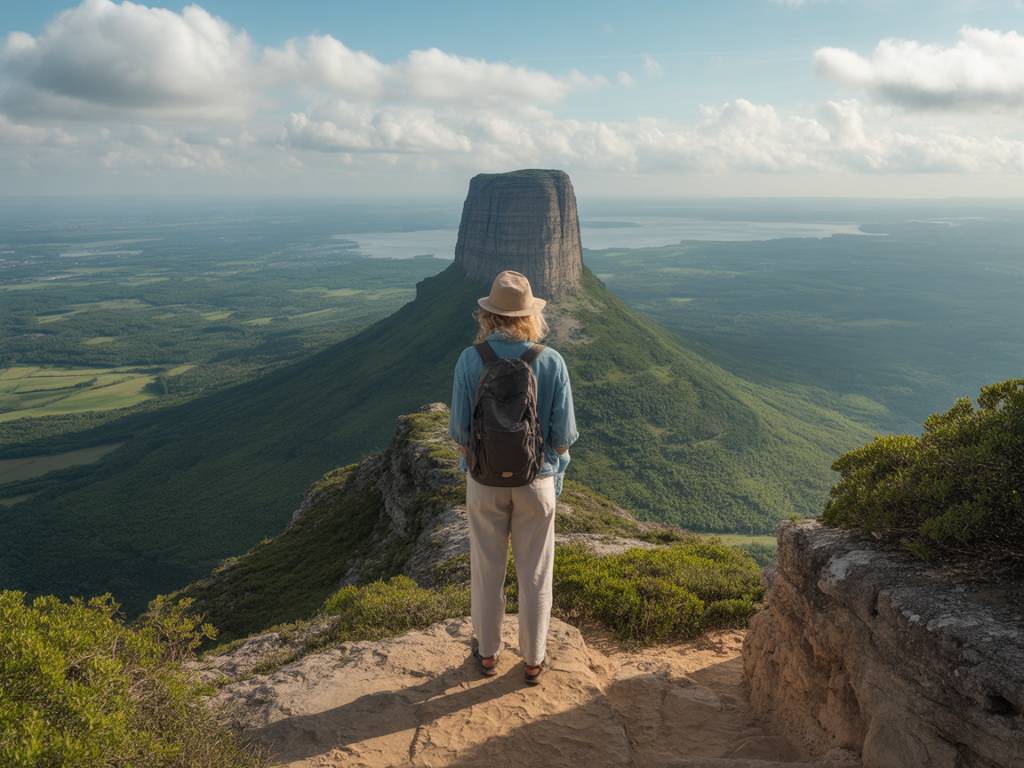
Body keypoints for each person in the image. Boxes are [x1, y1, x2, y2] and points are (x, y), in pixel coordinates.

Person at [448, 270, 578, 685]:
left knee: (487, 570)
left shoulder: (471, 360)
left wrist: (474, 464)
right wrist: (553, 476)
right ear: (530, 315)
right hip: (535, 482)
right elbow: (563, 437)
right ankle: (534, 660)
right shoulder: (551, 360)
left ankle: (487, 654)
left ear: (489, 315)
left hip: (484, 482)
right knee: (535, 573)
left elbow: (458, 432)